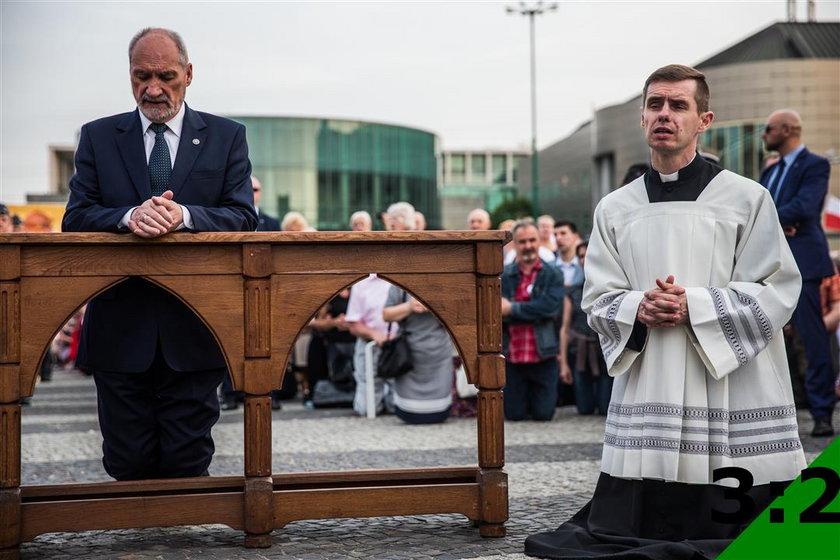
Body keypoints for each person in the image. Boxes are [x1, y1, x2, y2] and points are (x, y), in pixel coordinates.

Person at [525, 64, 806, 559]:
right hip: (653, 364)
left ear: (704, 120)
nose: (665, 114)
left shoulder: (747, 198)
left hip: (726, 374)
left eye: (678, 105)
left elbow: (779, 286)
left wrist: (694, 304)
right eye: (655, 104)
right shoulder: (615, 208)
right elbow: (597, 296)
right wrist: (639, 306)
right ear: (642, 117)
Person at [61, 28, 257, 481]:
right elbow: (76, 217)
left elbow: (242, 216)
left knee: (187, 461)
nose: (153, 89)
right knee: (126, 460)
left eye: (166, 76)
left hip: (195, 325)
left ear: (188, 74)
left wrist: (183, 215)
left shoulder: (227, 137)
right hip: (119, 327)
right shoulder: (98, 136)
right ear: (129, 77)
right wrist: (130, 217)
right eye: (141, 76)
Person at [760, 109, 835, 437]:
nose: (764, 135)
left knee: (812, 337)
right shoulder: (769, 171)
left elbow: (805, 207)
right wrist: (775, 222)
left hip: (804, 262)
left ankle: (822, 413)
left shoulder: (815, 164)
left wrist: (767, 220)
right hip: (768, 264)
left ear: (787, 130)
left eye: (768, 129)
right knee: (762, 337)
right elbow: (756, 208)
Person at [501, 220, 564, 421]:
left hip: (543, 355)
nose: (528, 245)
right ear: (514, 244)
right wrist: (533, 309)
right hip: (513, 356)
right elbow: (496, 310)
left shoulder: (553, 273)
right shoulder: (504, 275)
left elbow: (550, 307)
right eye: (522, 241)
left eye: (532, 240)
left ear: (540, 241)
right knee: (514, 415)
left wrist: (512, 308)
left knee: (544, 415)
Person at [558, 241, 611, 415]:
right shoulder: (573, 291)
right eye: (580, 256)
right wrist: (564, 363)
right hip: (579, 351)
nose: (584, 260)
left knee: (605, 408)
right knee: (584, 409)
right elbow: (565, 328)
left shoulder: (610, 289)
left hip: (605, 352)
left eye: (587, 255)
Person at [553, 220, 583, 288]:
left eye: (563, 233)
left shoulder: (585, 265)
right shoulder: (548, 267)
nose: (558, 238)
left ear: (575, 236)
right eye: (555, 235)